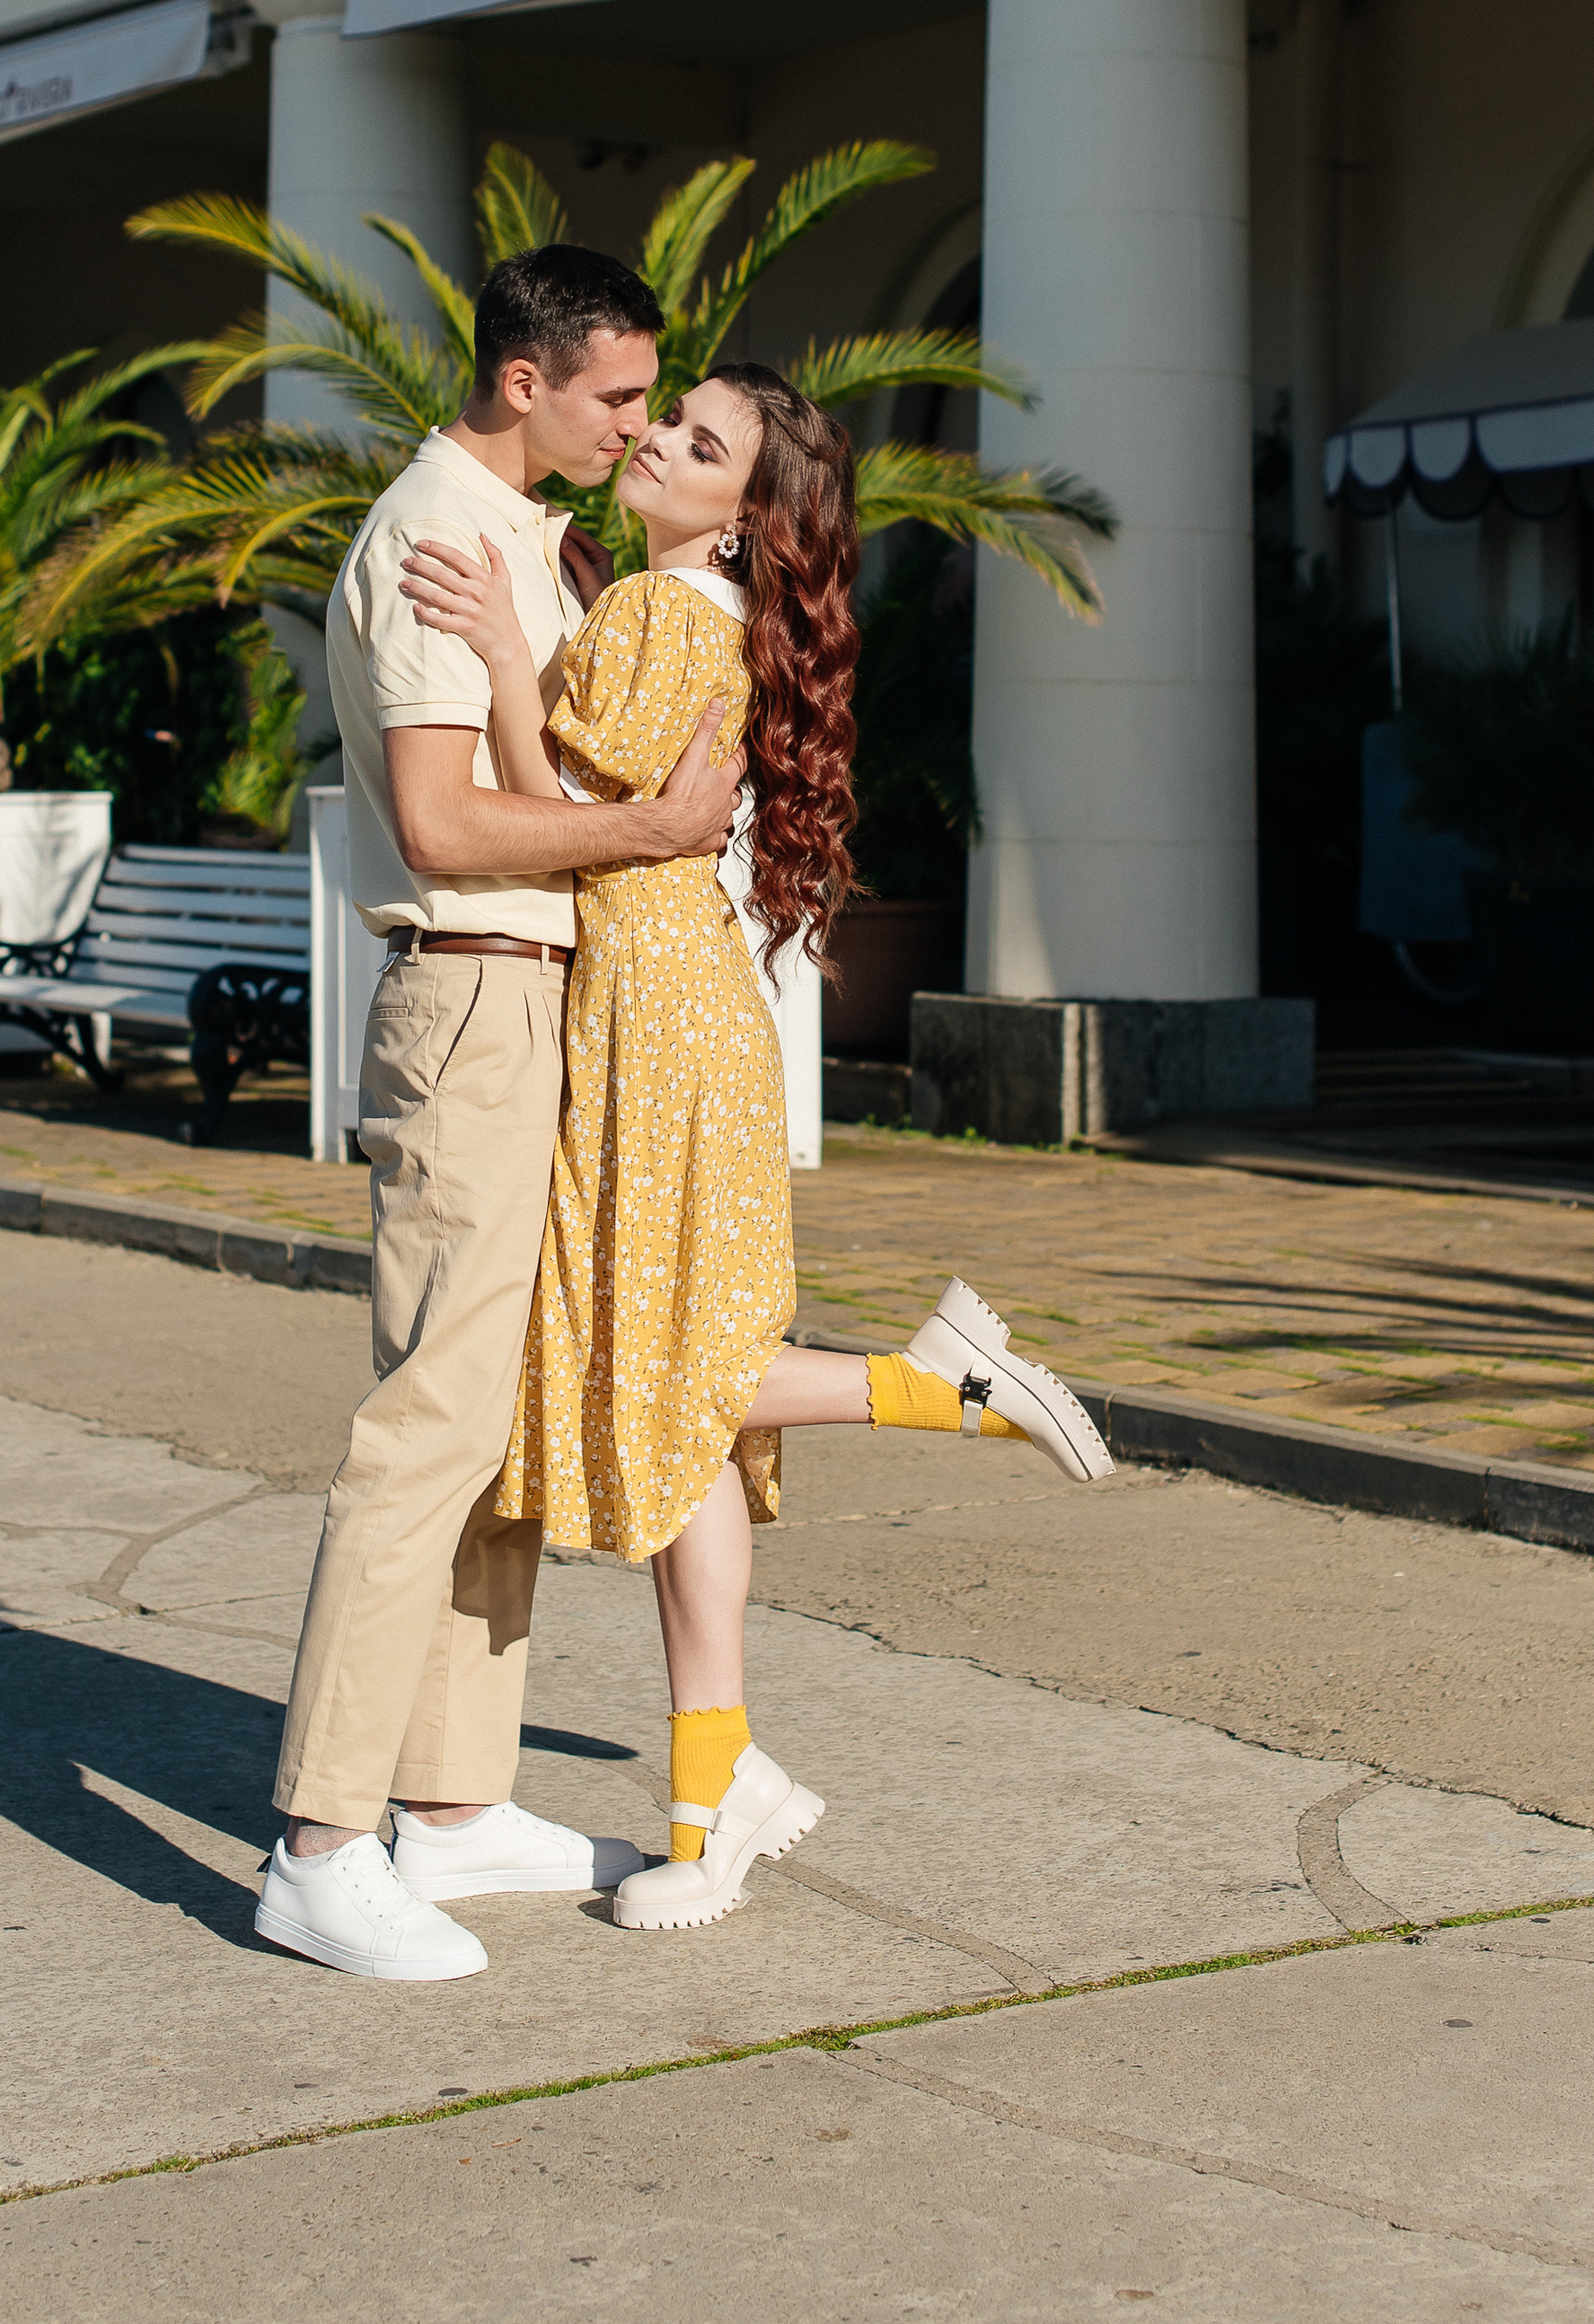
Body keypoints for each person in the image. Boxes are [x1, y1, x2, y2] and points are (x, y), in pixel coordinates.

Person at [401, 360, 1114, 1938]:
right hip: (685, 1010)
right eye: (669, 419)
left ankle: (951, 1385)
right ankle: (712, 1797)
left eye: (700, 443)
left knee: (672, 1373)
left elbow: (542, 796)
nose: (656, 439)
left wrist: (511, 645)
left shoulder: (667, 619)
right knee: (695, 1435)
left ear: (743, 521)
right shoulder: (676, 612)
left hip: (652, 1015)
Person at [255, 245, 745, 1985]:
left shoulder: (533, 538)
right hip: (471, 990)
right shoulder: (435, 538)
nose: (635, 425)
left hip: (546, 998)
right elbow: (446, 825)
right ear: (523, 379)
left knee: (504, 1414)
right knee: (429, 1421)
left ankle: (454, 1805)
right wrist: (645, 835)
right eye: (618, 396)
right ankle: (318, 1842)